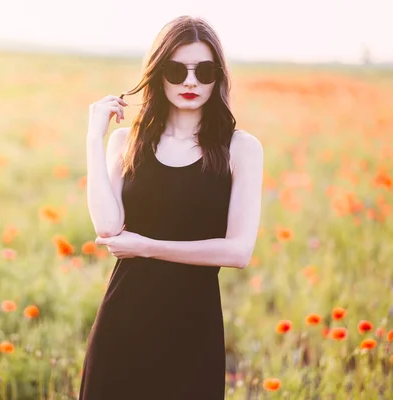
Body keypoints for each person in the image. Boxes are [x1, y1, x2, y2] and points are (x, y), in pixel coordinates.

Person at [80, 15, 263, 400]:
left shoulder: (241, 148)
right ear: (158, 72)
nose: (191, 82)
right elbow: (109, 227)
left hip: (192, 330)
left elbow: (238, 251)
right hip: (122, 325)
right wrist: (94, 139)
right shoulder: (125, 142)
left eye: (204, 71)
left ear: (219, 77)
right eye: (177, 70)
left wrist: (147, 247)